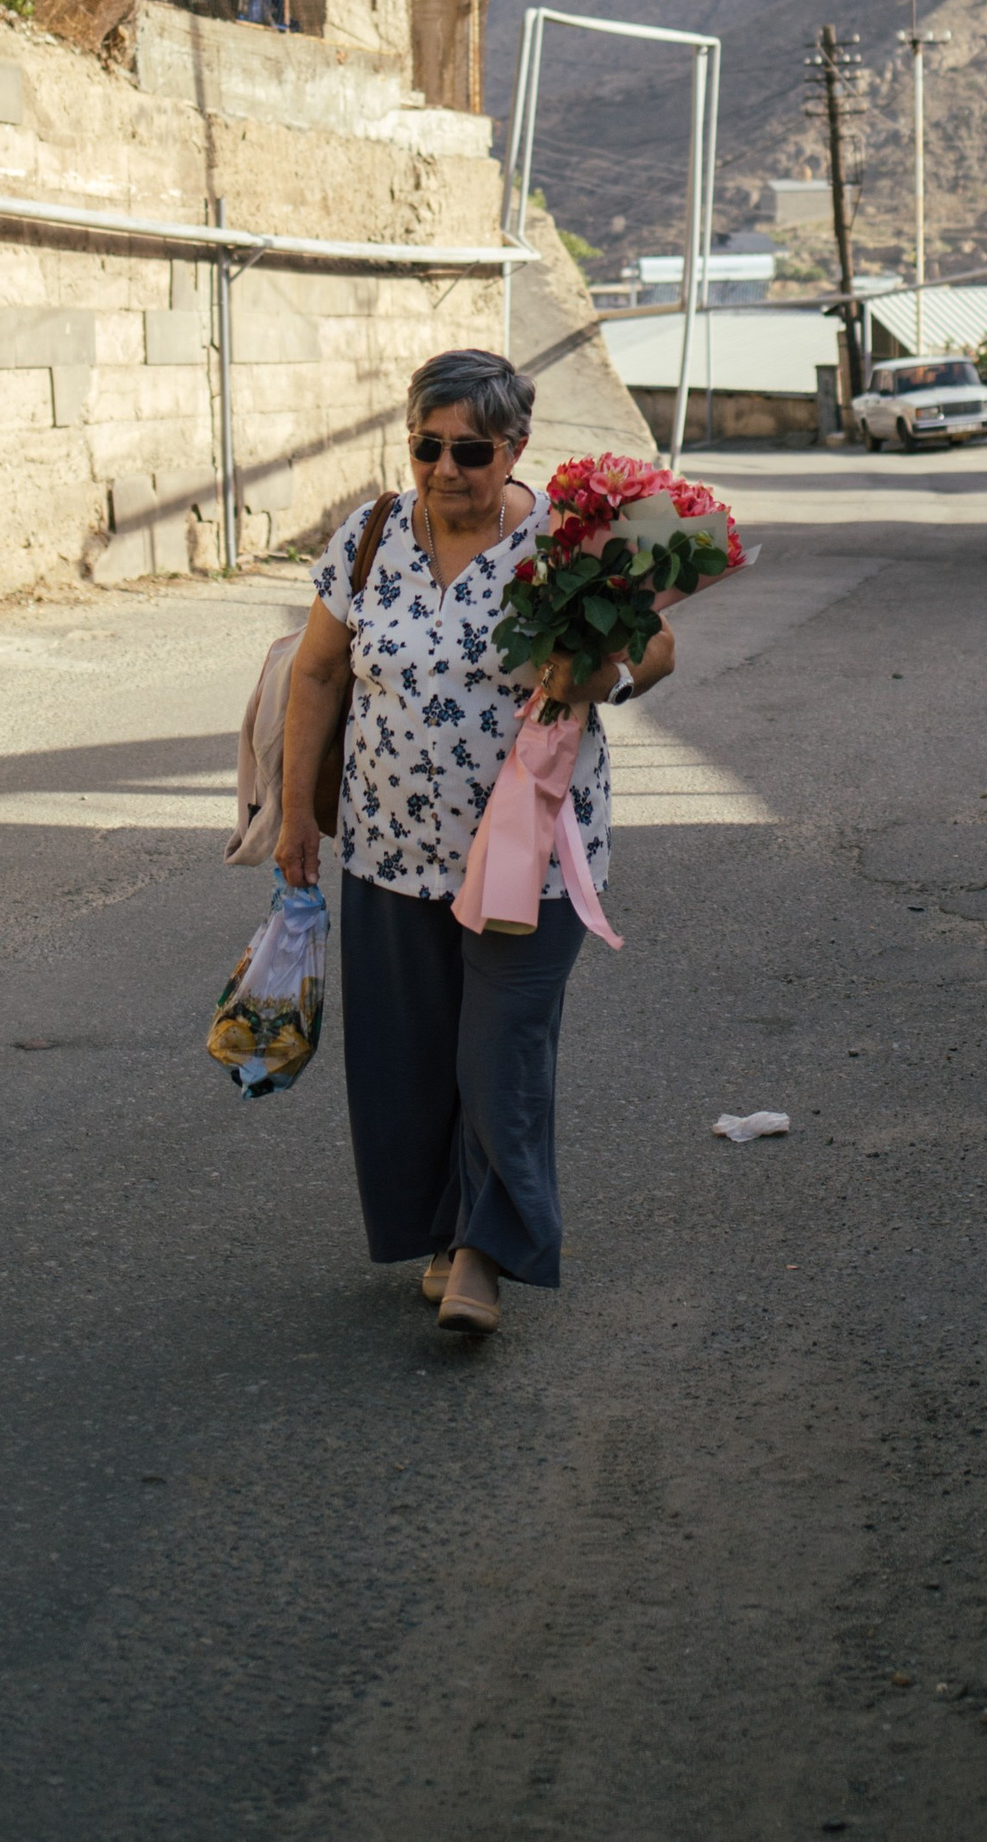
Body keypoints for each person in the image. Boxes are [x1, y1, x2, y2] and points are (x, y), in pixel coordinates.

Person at [276, 349, 675, 1337]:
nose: (445, 468)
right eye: (426, 445)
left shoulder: (566, 543)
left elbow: (656, 645)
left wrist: (599, 679)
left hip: (528, 854)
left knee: (500, 1054)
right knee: (407, 1059)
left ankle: (485, 1258)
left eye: (469, 449)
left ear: (515, 448)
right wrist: (294, 814)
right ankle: (447, 1233)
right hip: (387, 851)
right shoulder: (369, 536)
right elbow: (318, 674)